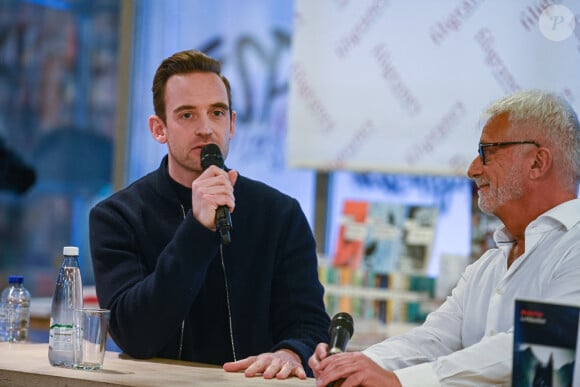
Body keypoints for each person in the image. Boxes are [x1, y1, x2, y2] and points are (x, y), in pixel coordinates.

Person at [309, 89, 580, 386]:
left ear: (538, 162)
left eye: (487, 152)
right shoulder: (489, 264)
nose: (472, 169)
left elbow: (532, 348)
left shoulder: (574, 246)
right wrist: (356, 364)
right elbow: (433, 339)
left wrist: (399, 381)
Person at [89, 49, 330, 380]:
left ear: (231, 124)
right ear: (159, 129)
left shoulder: (280, 213)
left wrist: (291, 352)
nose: (205, 128)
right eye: (187, 115)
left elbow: (310, 324)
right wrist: (197, 230)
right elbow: (134, 334)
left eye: (216, 113)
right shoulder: (117, 217)